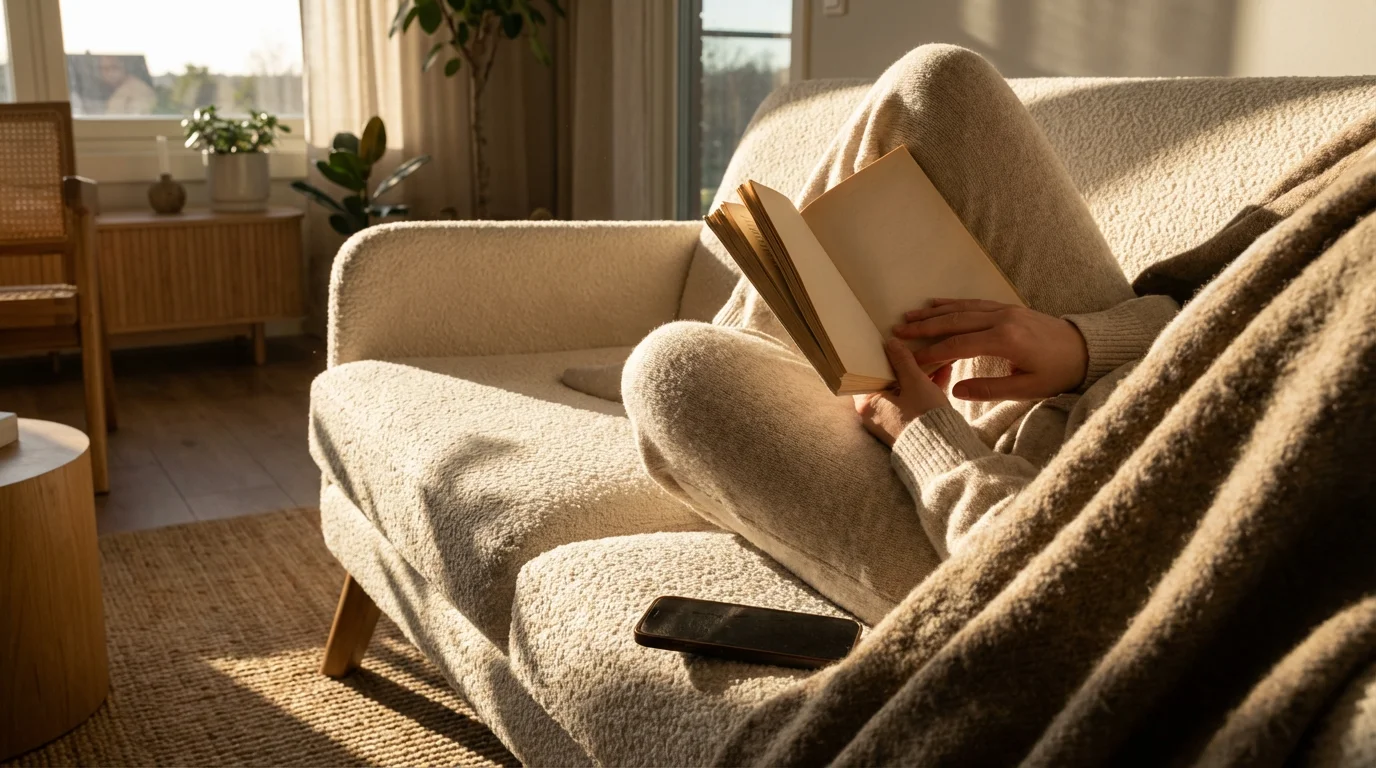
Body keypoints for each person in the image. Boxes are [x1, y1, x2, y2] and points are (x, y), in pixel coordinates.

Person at [620, 45, 1180, 626]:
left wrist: (925, 435)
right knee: (936, 83)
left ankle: (738, 397)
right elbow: (1216, 303)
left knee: (670, 367)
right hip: (1120, 372)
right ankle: (766, 365)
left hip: (1027, 528)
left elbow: (1063, 592)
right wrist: (1084, 343)